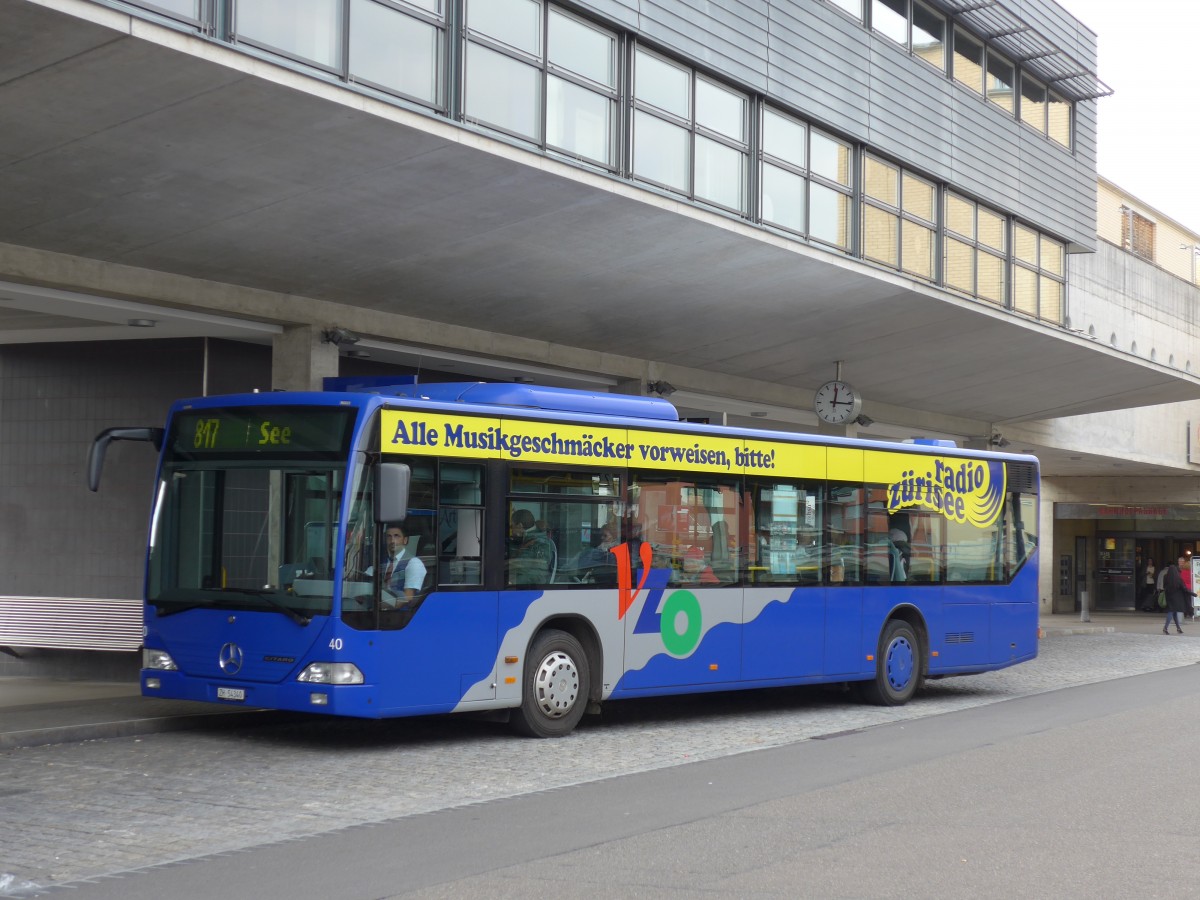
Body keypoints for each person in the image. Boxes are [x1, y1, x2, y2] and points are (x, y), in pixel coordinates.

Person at [379, 522, 427, 606]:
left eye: (396, 536)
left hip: (402, 615)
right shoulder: (382, 563)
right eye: (389, 536)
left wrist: (379, 607)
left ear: (405, 540)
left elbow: (407, 598)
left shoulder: (414, 563)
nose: (392, 541)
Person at [507, 508, 554, 585]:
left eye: (512, 526)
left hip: (527, 587)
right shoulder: (526, 539)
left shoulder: (539, 543)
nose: (512, 530)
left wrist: (513, 582)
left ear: (520, 526)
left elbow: (538, 574)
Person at [1161, 555, 1195, 635]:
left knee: (1174, 613)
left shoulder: (1166, 577)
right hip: (1176, 599)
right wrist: (1193, 594)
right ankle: (1165, 628)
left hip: (1169, 597)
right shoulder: (1178, 579)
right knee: (1171, 612)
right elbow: (1184, 589)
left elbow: (1164, 586)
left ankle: (1178, 628)